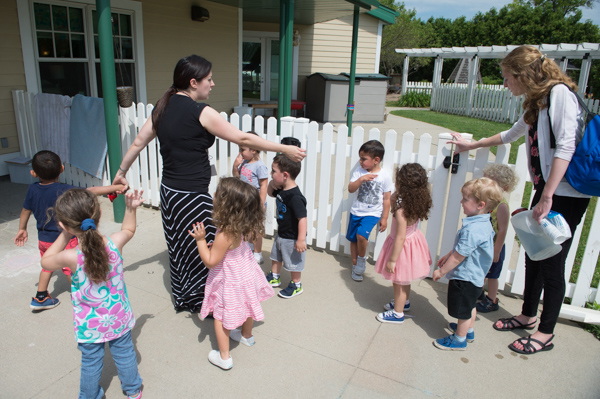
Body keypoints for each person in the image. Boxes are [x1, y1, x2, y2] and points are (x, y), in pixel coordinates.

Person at [112, 55, 305, 313]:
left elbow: (137, 143)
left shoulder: (162, 106)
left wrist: (121, 171)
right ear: (193, 82)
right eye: (209, 79)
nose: (212, 85)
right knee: (210, 248)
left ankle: (188, 295)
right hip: (191, 196)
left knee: (180, 245)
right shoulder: (200, 111)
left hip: (170, 192)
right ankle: (210, 300)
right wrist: (284, 148)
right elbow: (242, 137)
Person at [449, 45, 590, 354]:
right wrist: (472, 145)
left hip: (565, 193)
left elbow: (566, 146)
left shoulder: (559, 95)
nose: (504, 84)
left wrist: (548, 196)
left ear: (521, 74)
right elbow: (511, 134)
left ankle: (545, 332)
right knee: (534, 256)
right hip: (548, 190)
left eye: (506, 77)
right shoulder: (536, 102)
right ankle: (527, 315)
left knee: (553, 263)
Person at [40, 188, 145, 399]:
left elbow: (46, 261)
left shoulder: (70, 257)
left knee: (90, 363)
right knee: (125, 353)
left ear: (65, 224)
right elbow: (129, 229)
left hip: (90, 325)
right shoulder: (115, 243)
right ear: (98, 215)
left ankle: (89, 396)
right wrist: (130, 209)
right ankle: (133, 390)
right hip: (118, 317)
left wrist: (65, 232)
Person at [14, 150, 125, 311]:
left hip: (44, 240)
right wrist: (117, 187)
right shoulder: (65, 189)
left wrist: (22, 228)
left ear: (33, 173)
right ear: (62, 168)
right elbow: (91, 191)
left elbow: (25, 210)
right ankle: (80, 295)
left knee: (47, 266)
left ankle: (41, 296)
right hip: (64, 238)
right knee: (70, 268)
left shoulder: (32, 189)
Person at [189, 178, 274, 370]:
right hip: (244, 272)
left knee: (220, 316)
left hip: (230, 279)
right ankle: (246, 336)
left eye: (217, 194)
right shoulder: (240, 224)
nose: (214, 195)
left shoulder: (224, 233)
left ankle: (224, 357)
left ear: (226, 204)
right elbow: (231, 247)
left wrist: (201, 241)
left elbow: (210, 262)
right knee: (248, 304)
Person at [432, 178, 503, 351]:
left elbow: (459, 257)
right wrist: (449, 254)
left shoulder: (473, 229)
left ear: (480, 205)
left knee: (462, 309)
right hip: (476, 276)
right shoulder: (483, 222)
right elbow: (463, 249)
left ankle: (459, 339)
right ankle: (469, 330)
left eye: (465, 199)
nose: (461, 202)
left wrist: (441, 271)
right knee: (470, 304)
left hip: (465, 277)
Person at [374, 163, 432, 324]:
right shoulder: (416, 202)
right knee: (404, 279)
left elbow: (400, 237)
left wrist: (392, 260)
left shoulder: (401, 211)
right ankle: (404, 303)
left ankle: (397, 313)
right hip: (412, 243)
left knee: (398, 281)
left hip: (401, 249)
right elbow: (393, 199)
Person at [346, 140, 393, 282]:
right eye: (360, 158)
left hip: (372, 213)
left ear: (376, 160)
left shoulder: (384, 176)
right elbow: (351, 189)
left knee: (361, 236)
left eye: (363, 159)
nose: (360, 161)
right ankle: (355, 266)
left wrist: (384, 218)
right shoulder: (359, 172)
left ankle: (361, 260)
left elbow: (387, 198)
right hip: (356, 211)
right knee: (353, 239)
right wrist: (361, 179)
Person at [476, 164, 519, 313]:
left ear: (505, 187)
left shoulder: (501, 206)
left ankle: (492, 300)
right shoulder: (488, 201)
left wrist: (496, 250)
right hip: (483, 244)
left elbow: (502, 230)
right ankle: (479, 292)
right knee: (481, 271)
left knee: (492, 275)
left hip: (495, 246)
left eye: (493, 184)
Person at [265, 154, 307, 298]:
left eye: (273, 171)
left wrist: (301, 240)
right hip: (281, 233)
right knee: (276, 256)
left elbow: (302, 219)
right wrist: (272, 183)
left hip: (293, 237)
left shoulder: (295, 197)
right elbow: (270, 194)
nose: (271, 173)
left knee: (293, 261)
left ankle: (296, 285)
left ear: (285, 175)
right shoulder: (282, 188)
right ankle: (274, 277)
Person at [232, 131, 269, 264]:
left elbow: (264, 186)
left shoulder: (259, 166)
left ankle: (258, 254)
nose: (240, 152)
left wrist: (261, 204)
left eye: (242, 150)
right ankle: (249, 247)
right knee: (246, 226)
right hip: (244, 201)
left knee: (256, 229)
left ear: (253, 150)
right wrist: (235, 166)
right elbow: (236, 177)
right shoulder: (244, 162)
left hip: (255, 202)